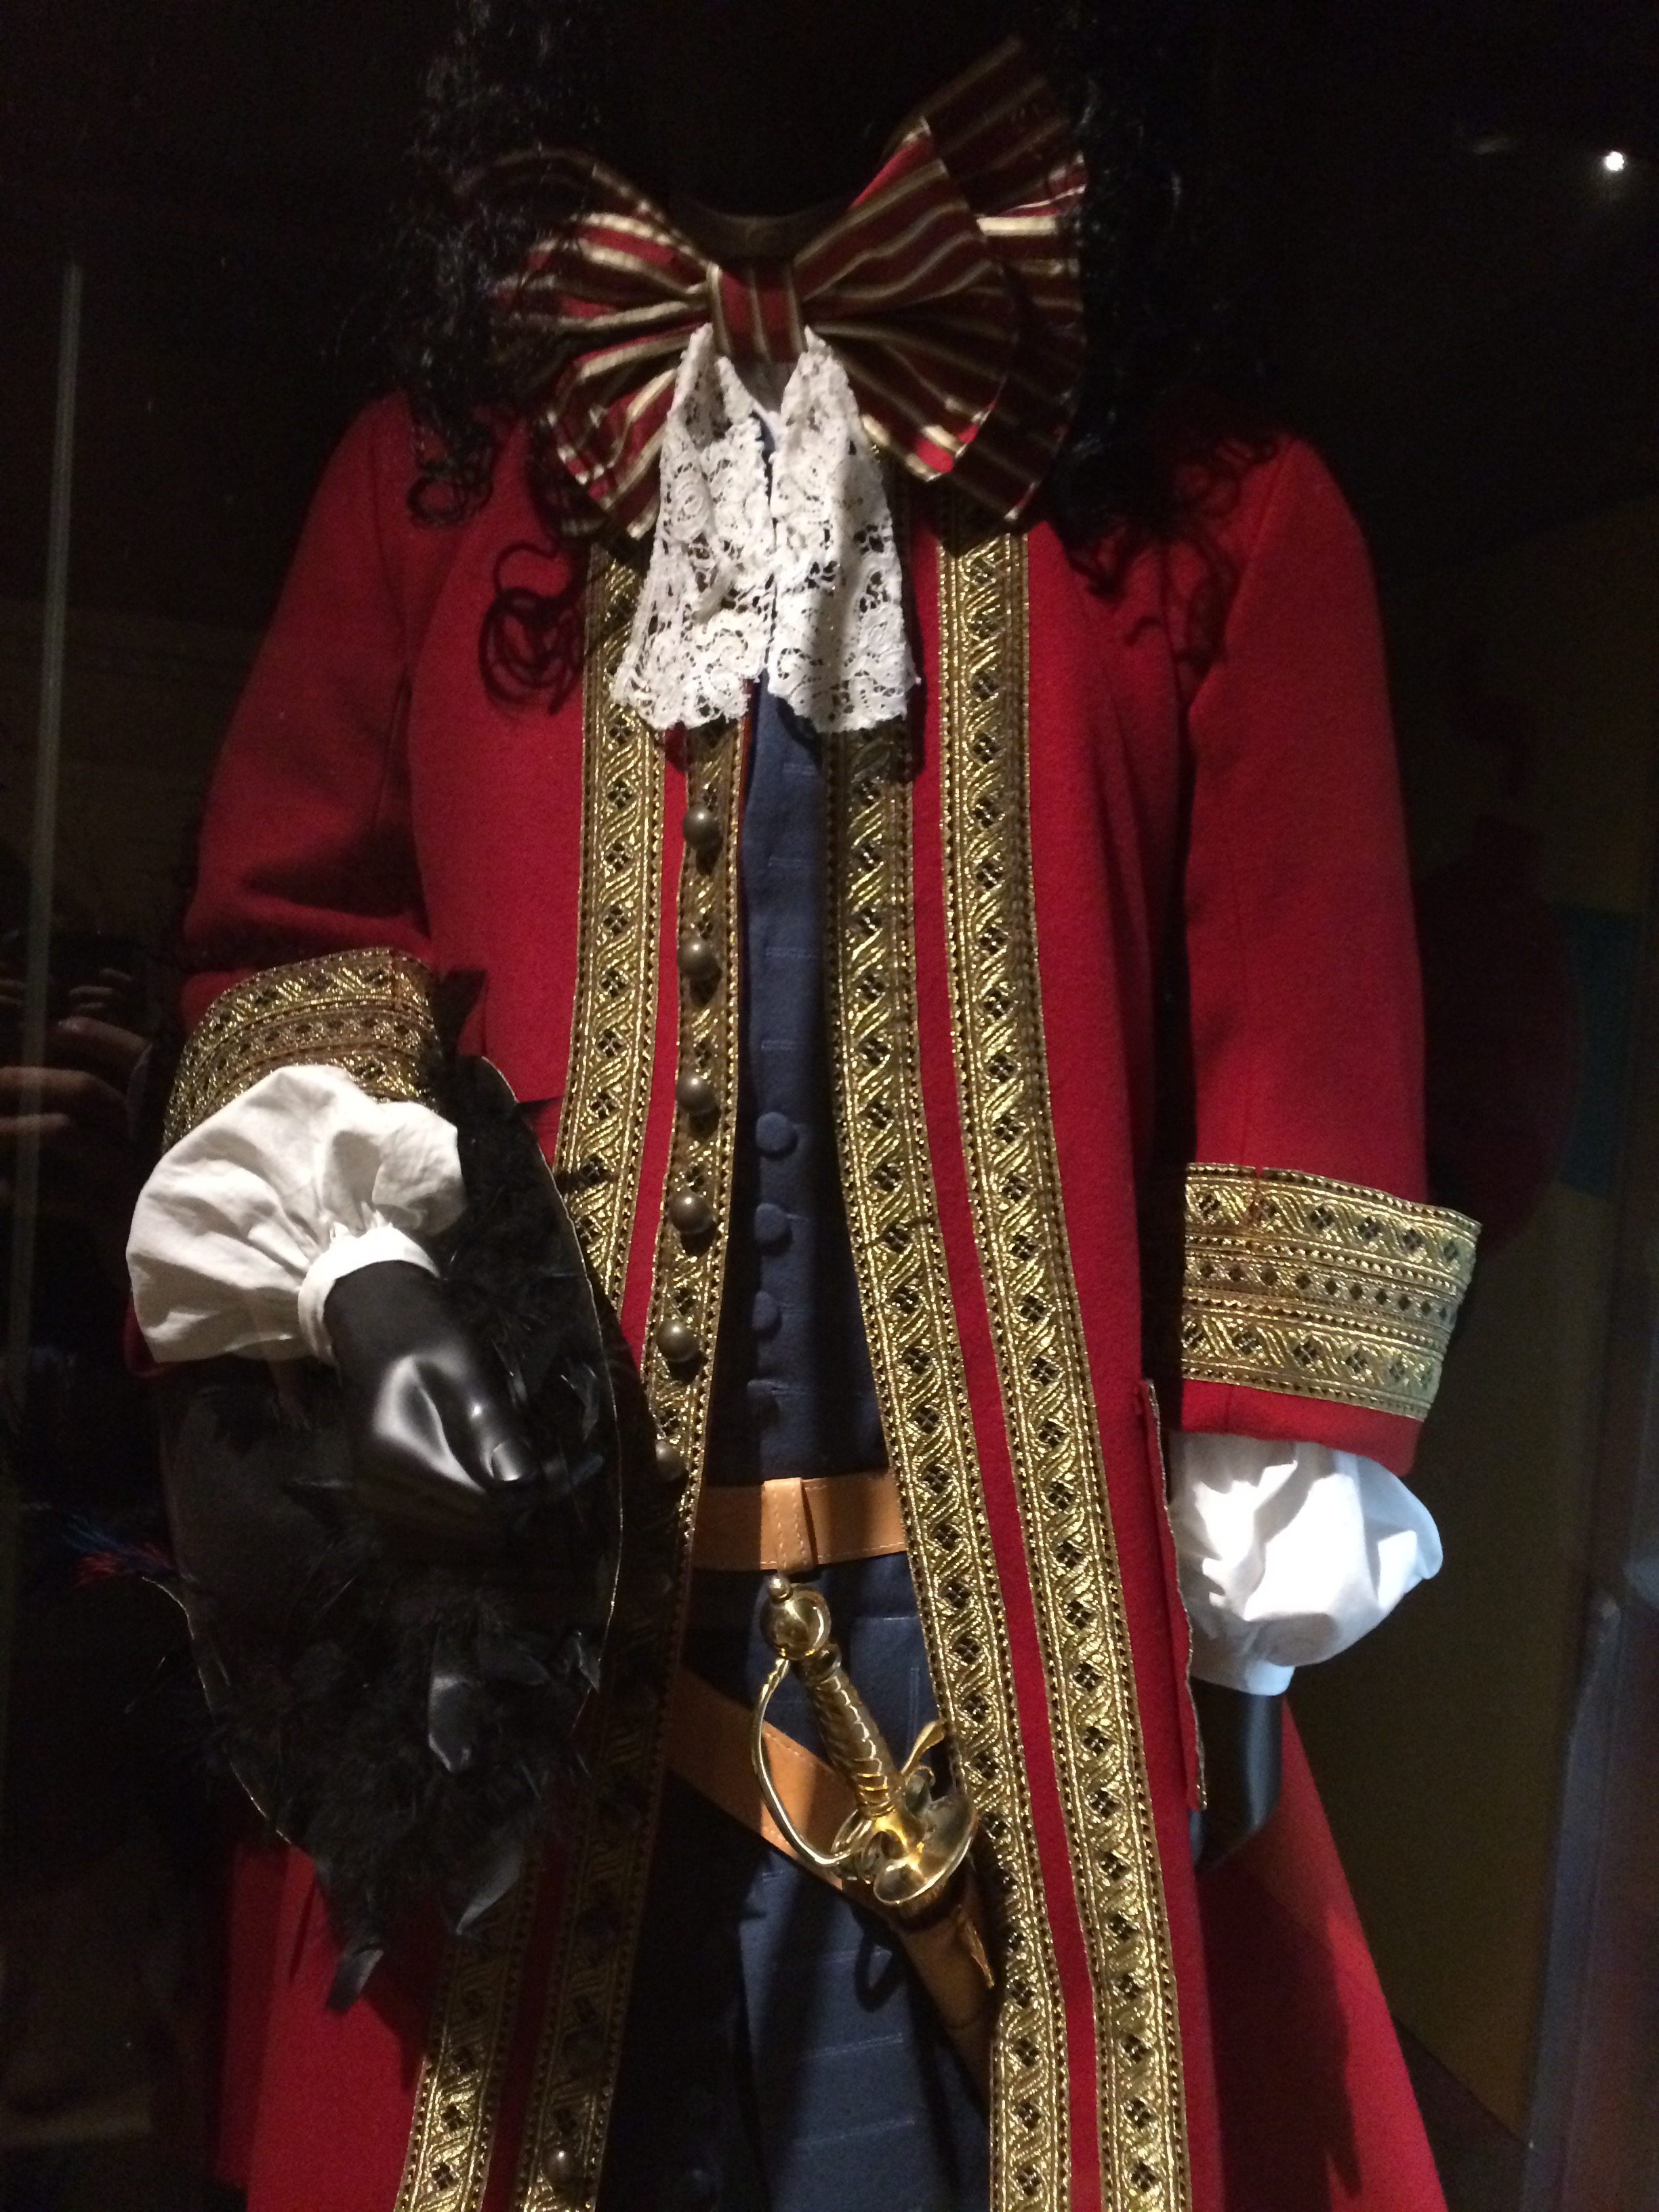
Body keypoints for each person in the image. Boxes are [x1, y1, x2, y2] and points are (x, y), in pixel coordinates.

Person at [125, 3, 1477, 2205]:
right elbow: (293, 954)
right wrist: (364, 1283)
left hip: (1014, 1714)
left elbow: (1300, 1074)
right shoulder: (434, 497)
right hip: (523, 1692)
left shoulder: (1216, 523)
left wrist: (1239, 1646)